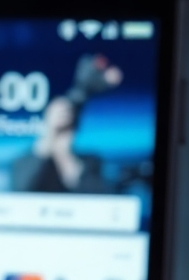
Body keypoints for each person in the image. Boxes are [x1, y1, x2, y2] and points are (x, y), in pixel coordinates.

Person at [10, 54, 123, 193]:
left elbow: (101, 199)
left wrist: (64, 155)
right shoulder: (24, 162)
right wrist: (50, 135)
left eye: (67, 128)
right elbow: (21, 189)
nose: (62, 130)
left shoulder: (91, 163)